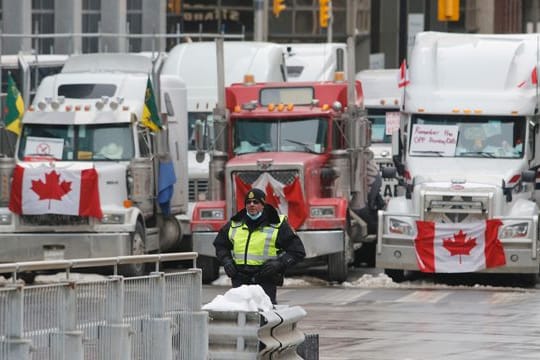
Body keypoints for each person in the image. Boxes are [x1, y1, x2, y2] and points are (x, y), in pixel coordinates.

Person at [213, 188, 306, 304]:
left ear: (263, 205)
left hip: (265, 279)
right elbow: (220, 245)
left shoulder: (277, 225)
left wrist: (279, 264)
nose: (252, 205)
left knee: (265, 317)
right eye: (248, 202)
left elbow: (297, 252)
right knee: (241, 317)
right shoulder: (235, 224)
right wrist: (227, 261)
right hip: (240, 280)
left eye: (256, 202)